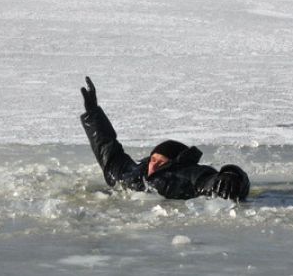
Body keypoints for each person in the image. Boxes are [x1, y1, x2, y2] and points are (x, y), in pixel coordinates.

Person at [79, 77, 250, 201]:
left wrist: (231, 174)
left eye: (162, 161)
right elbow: (109, 151)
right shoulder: (134, 173)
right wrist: (93, 113)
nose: (155, 164)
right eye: (154, 159)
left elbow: (211, 180)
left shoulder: (189, 173)